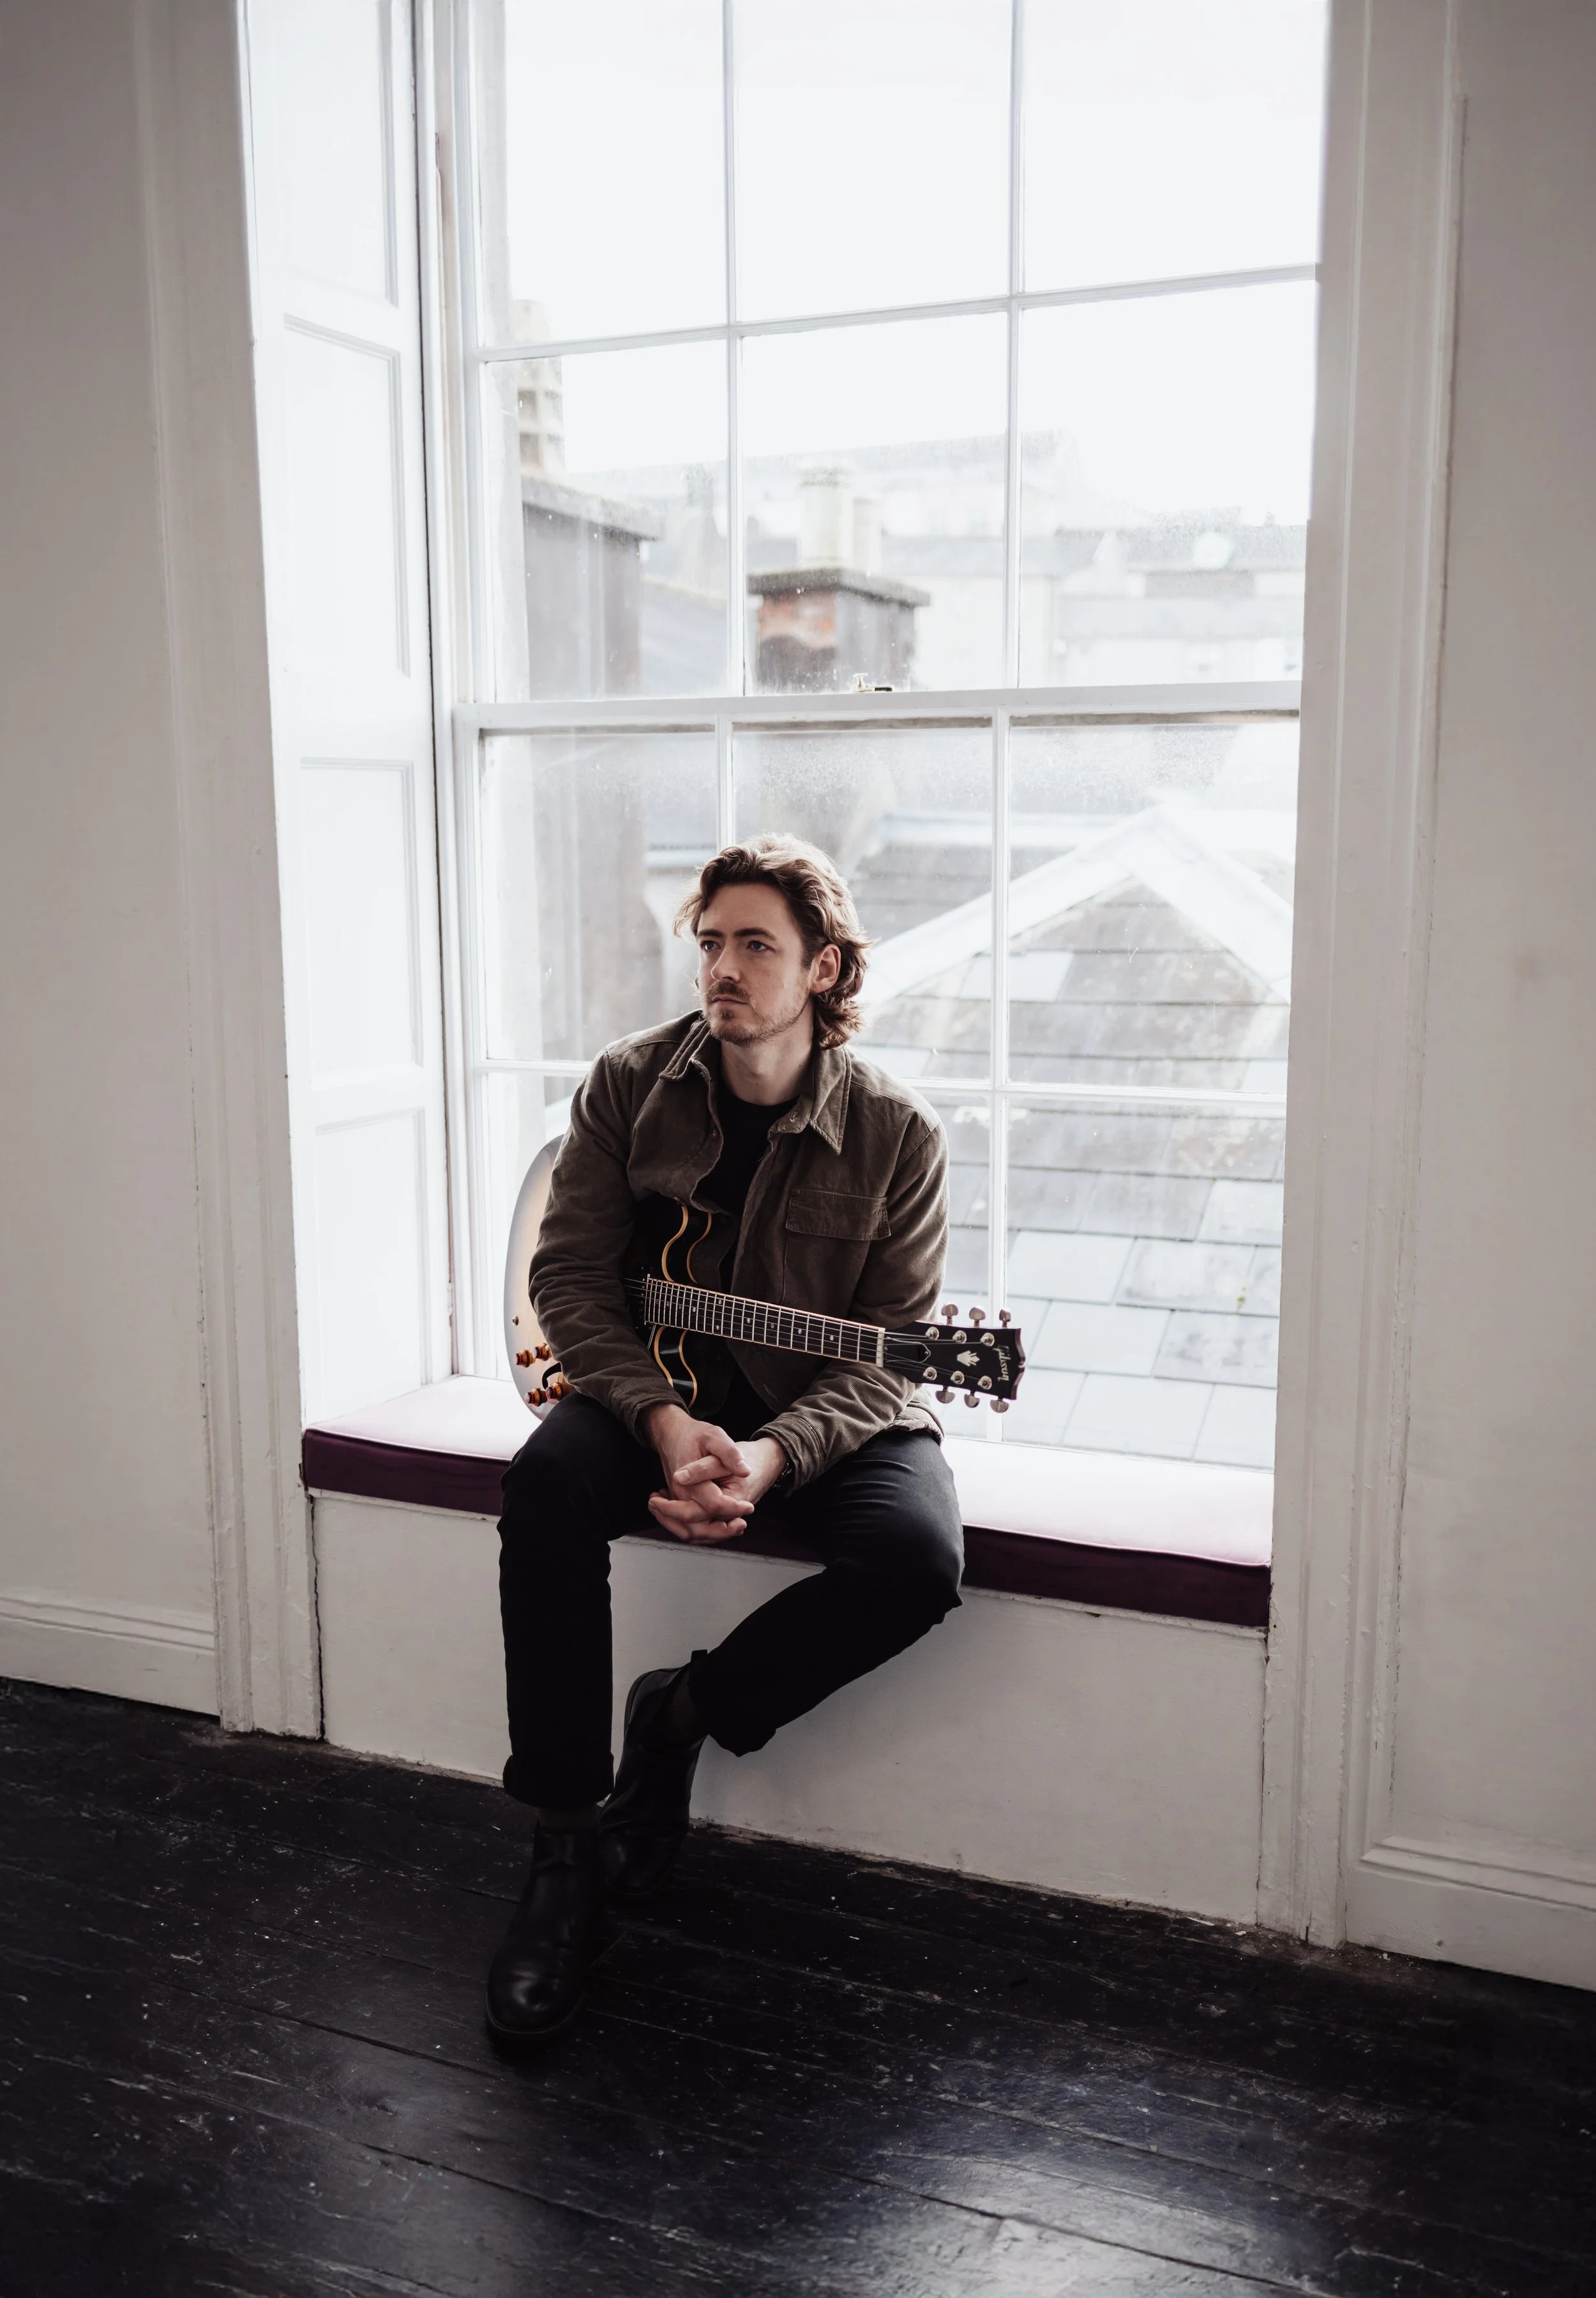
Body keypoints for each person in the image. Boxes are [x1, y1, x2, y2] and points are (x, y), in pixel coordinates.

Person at [486, 834, 963, 2043]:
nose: (725, 969)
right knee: (542, 1491)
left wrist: (765, 1458)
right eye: (711, 943)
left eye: (758, 945)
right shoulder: (626, 1084)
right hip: (657, 1387)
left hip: (823, 1408)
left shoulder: (898, 1135)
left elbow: (885, 1352)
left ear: (824, 968)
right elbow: (573, 1282)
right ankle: (560, 1855)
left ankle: (681, 1716)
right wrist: (657, 1416)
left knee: (916, 1561)